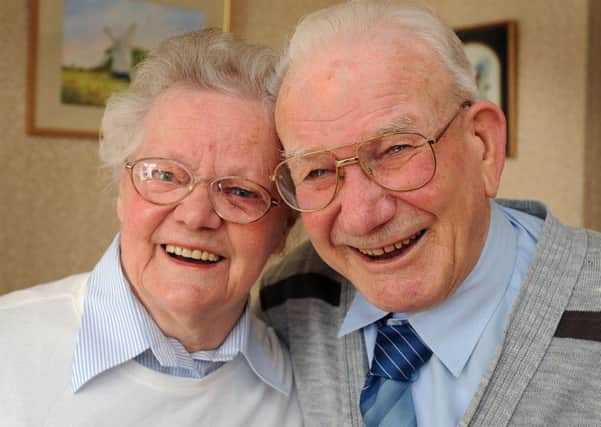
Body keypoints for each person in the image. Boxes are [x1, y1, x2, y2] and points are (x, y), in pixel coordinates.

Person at [259, 1, 601, 426]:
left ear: (484, 144)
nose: (363, 217)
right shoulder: (291, 298)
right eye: (317, 171)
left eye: (396, 149)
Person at [0, 29, 302, 426]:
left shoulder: (305, 390)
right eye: (165, 174)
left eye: (242, 192)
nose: (195, 216)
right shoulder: (9, 347)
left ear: (283, 229)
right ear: (122, 191)